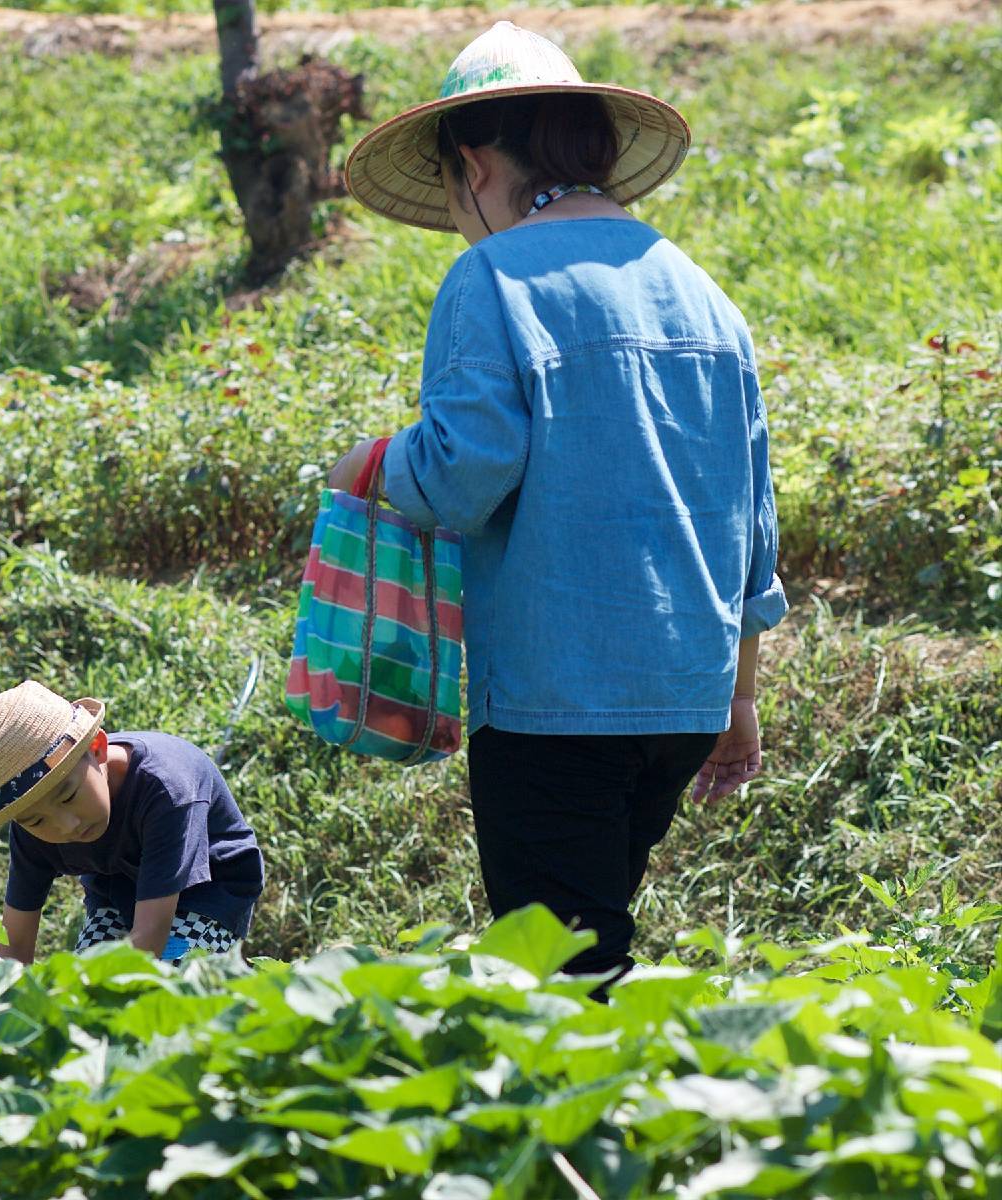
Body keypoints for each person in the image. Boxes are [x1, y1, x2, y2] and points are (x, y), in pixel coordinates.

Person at [331, 22, 788, 990]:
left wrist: (370, 464)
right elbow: (753, 526)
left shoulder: (492, 278)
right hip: (686, 698)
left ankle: (601, 1135)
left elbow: (463, 472)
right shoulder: (704, 296)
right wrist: (741, 698)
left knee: (564, 979)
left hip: (556, 699)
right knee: (592, 938)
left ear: (473, 162)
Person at [0, 680, 264, 963]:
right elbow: (14, 943)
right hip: (116, 887)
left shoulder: (166, 790)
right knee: (89, 978)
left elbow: (148, 941)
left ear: (97, 748)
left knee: (168, 978)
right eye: (36, 820)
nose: (66, 825)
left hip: (209, 889)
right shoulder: (31, 827)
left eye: (69, 796)